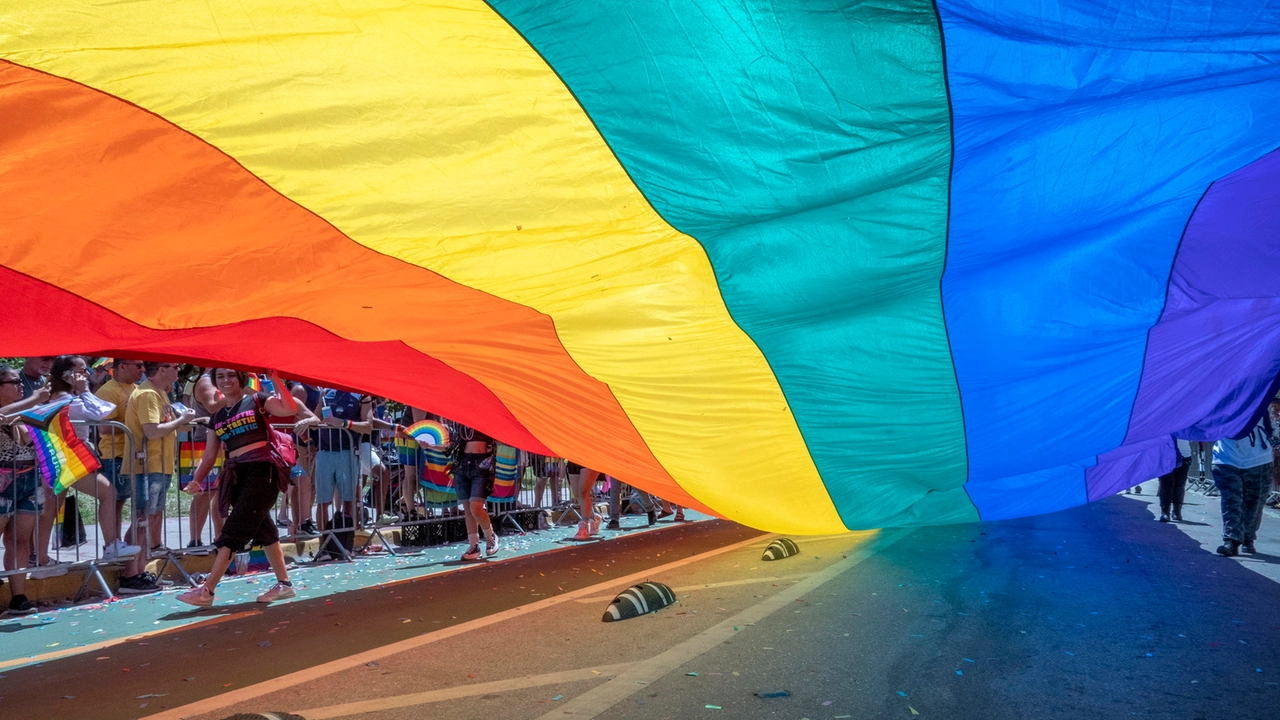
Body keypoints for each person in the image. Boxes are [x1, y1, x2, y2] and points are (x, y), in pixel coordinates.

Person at [177, 368, 318, 607]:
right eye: (220, 377)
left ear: (242, 379)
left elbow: (289, 409)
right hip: (237, 475)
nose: (225, 380)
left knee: (233, 530)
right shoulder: (217, 416)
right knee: (264, 531)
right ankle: (284, 584)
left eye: (231, 375)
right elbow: (210, 454)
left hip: (264, 471)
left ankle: (207, 590)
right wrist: (197, 479)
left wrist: (274, 378)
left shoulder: (257, 400)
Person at [44, 355, 140, 561]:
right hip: (69, 456)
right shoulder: (66, 400)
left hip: (68, 455)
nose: (87, 374)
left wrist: (83, 390)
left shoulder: (68, 397)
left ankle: (39, 556)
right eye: (82, 370)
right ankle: (111, 545)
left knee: (52, 507)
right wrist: (85, 390)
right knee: (108, 493)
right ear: (67, 375)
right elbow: (103, 412)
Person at [118, 361, 195, 594]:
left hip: (158, 465)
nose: (178, 370)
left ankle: (140, 572)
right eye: (174, 367)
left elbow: (166, 427)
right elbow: (152, 432)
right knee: (142, 519)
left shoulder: (159, 392)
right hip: (146, 465)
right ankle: (130, 576)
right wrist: (181, 421)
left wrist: (190, 422)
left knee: (148, 519)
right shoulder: (148, 394)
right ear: (162, 369)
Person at [0, 367, 40, 615]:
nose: (21, 386)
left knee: (21, 539)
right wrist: (35, 401)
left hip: (27, 478)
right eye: (14, 382)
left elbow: (26, 438)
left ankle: (19, 597)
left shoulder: (21, 412)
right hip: (3, 480)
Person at [95, 359, 144, 542]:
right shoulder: (107, 391)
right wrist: (137, 423)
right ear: (122, 366)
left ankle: (119, 544)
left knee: (123, 503)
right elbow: (104, 428)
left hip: (132, 454)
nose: (142, 369)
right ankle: (113, 544)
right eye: (138, 365)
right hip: (114, 456)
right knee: (114, 502)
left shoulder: (136, 388)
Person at [1212, 411, 1274, 557]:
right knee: (1231, 501)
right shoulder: (1219, 399)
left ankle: (1248, 536)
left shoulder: (1261, 396)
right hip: (1225, 458)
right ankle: (1231, 540)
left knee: (1254, 503)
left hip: (1259, 459)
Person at [314, 388, 371, 535]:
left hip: (348, 453)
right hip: (325, 453)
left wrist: (343, 423)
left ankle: (346, 542)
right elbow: (315, 421)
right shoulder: (325, 393)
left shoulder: (362, 395)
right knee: (323, 503)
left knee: (349, 501)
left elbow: (368, 427)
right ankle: (324, 546)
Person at [441, 422, 499, 560]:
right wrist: (429, 445)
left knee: (476, 507)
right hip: (462, 465)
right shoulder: (458, 423)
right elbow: (450, 447)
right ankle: (474, 546)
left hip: (481, 465)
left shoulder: (484, 417)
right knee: (468, 508)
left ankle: (490, 537)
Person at [183, 369, 226, 547]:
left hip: (225, 440)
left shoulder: (221, 379)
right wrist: (241, 393)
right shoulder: (206, 381)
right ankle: (195, 540)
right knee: (205, 491)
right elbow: (212, 406)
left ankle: (221, 538)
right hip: (206, 442)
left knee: (222, 491)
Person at [1156, 438, 1193, 523]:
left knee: (1179, 484)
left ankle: (1177, 511)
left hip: (1184, 454)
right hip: (1165, 455)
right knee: (1165, 484)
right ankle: (1165, 512)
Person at [565, 461, 602, 541]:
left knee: (584, 492)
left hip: (589, 458)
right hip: (573, 458)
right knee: (577, 494)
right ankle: (594, 517)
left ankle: (584, 525)